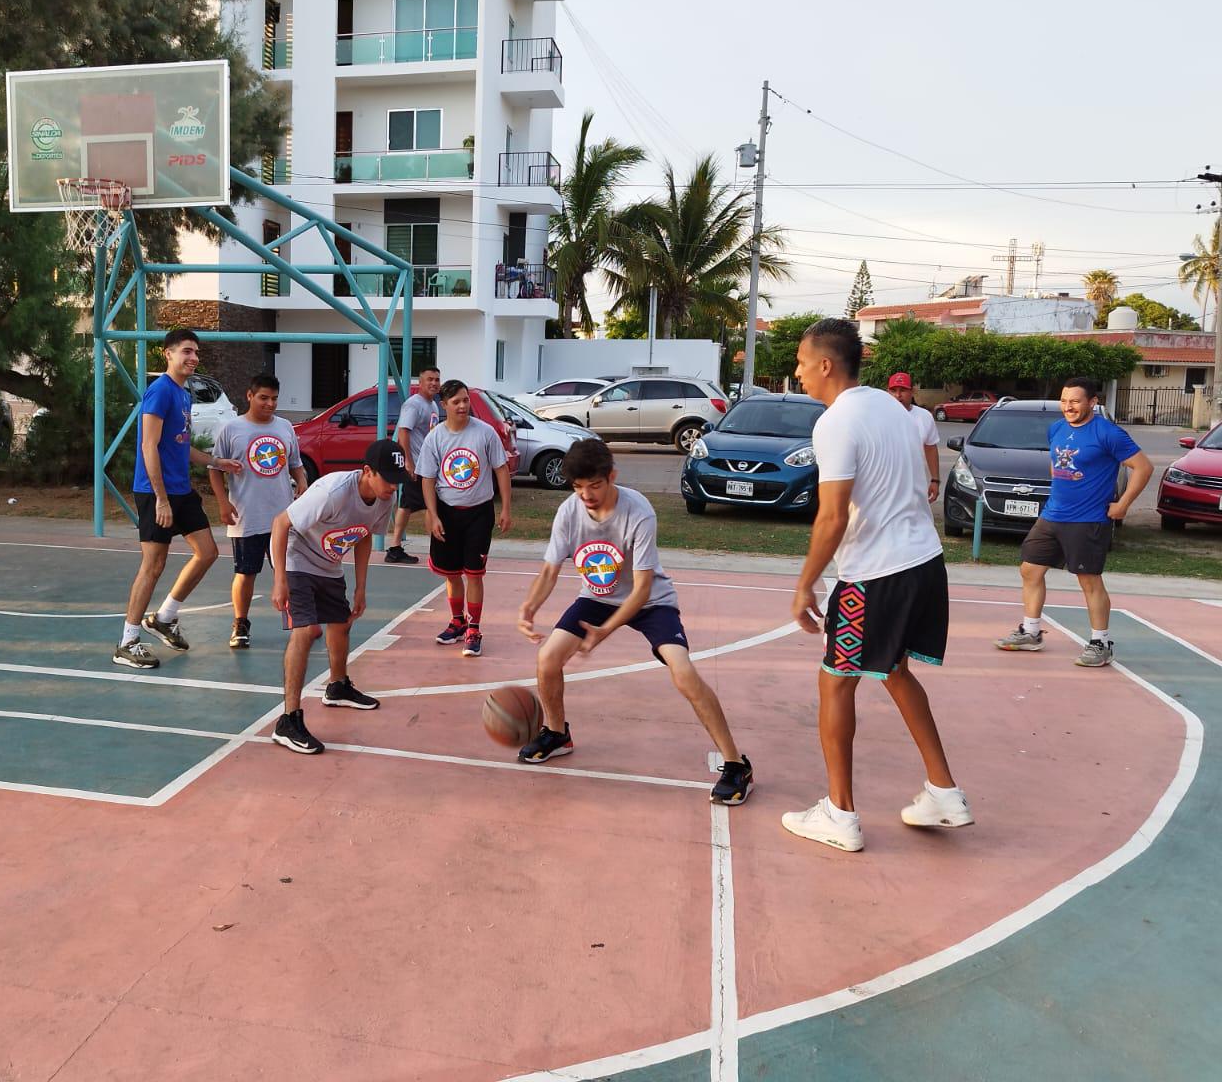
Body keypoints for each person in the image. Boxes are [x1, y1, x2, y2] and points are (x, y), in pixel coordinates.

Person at [785, 319, 970, 853]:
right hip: (924, 562)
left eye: (800, 361)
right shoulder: (891, 407)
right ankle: (944, 791)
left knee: (835, 683)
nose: (796, 371)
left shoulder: (835, 423)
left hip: (875, 574)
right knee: (893, 670)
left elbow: (832, 516)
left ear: (825, 364)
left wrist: (805, 585)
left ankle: (839, 814)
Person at [515, 439, 754, 805]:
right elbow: (550, 569)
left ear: (612, 476)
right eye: (578, 487)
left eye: (594, 485)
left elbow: (641, 590)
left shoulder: (638, 510)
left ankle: (737, 764)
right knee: (547, 658)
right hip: (596, 597)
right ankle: (556, 732)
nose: (587, 495)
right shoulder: (569, 511)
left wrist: (606, 631)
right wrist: (529, 606)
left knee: (683, 672)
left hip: (651, 602)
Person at [994, 377, 1153, 667]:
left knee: (1089, 580)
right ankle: (1031, 633)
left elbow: (1143, 467)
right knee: (1030, 569)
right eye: (1065, 401)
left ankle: (1100, 643)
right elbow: (1056, 466)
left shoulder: (1108, 433)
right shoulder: (1056, 428)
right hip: (1053, 515)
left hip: (1089, 519)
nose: (1069, 407)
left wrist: (1123, 504)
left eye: (1076, 401)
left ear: (1092, 402)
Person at [268, 439, 408, 754]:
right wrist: (280, 579)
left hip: (328, 562)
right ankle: (288, 720)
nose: (393, 487)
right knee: (304, 632)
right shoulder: (333, 491)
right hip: (296, 556)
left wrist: (361, 586)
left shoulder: (384, 498)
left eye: (398, 480)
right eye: (388, 478)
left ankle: (337, 686)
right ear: (367, 471)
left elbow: (364, 537)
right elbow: (280, 523)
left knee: (341, 623)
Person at [115, 329, 241, 669]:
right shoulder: (159, 393)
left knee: (208, 552)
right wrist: (160, 499)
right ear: (168, 353)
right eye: (186, 351)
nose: (193, 358)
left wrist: (216, 461)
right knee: (153, 565)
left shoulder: (183, 394)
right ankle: (127, 641)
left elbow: (180, 446)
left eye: (196, 352)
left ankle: (164, 617)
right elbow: (148, 447)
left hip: (181, 490)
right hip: (156, 492)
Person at [208, 373, 308, 649]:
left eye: (274, 398)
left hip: (282, 517)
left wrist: (302, 482)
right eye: (264, 398)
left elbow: (295, 464)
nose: (270, 404)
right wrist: (222, 503)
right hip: (247, 516)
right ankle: (240, 623)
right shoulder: (232, 429)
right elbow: (215, 470)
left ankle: (300, 619)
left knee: (291, 570)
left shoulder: (285, 427)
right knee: (246, 572)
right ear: (250, 396)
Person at [416, 379, 511, 657]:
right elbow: (427, 479)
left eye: (465, 400)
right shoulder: (435, 437)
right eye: (456, 401)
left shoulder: (485, 433)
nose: (462, 405)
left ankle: (474, 628)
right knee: (451, 573)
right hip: (447, 512)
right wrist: (432, 515)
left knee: (474, 573)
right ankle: (457, 621)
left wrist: (505, 508)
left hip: (479, 513)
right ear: (443, 405)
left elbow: (502, 470)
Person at [385, 366, 444, 564]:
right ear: (420, 382)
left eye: (437, 379)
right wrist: (409, 463)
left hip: (429, 465)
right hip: (419, 465)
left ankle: (395, 548)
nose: (434, 383)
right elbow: (403, 432)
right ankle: (436, 549)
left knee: (407, 505)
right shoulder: (414, 404)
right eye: (430, 379)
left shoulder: (433, 405)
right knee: (430, 505)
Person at [886, 371, 940, 504]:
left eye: (903, 390)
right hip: (884, 487)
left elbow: (930, 448)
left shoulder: (924, 417)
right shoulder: (878, 416)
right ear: (888, 392)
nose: (898, 395)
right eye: (893, 391)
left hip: (914, 486)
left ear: (913, 391)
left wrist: (935, 480)